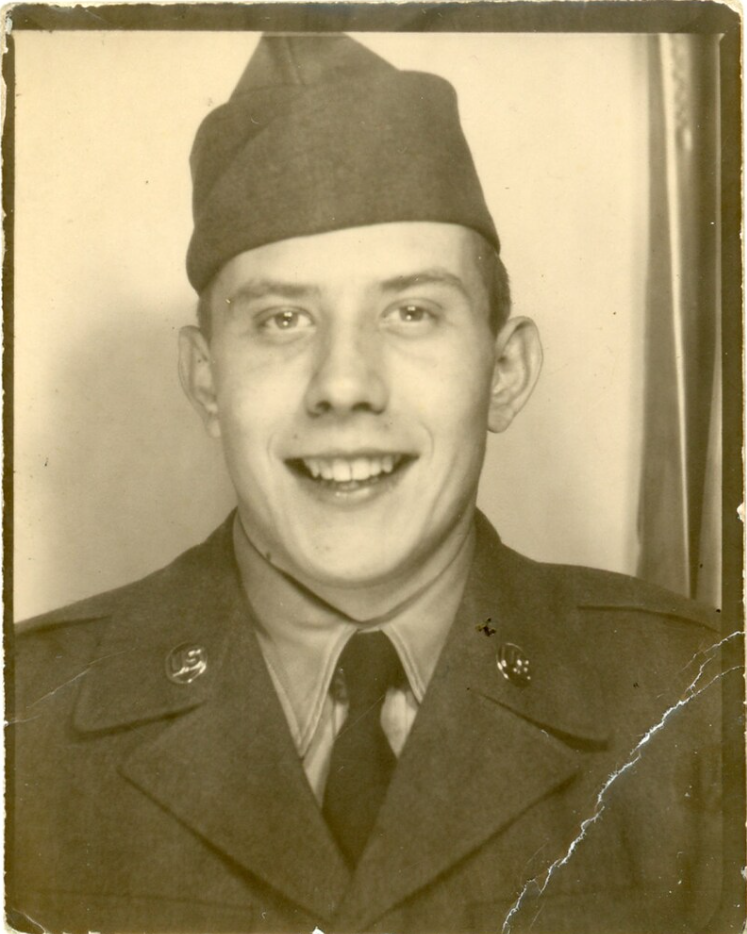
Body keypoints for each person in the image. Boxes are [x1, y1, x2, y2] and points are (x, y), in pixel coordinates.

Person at [8, 33, 735, 934]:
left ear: (504, 372)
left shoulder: (704, 708)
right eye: (280, 318)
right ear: (205, 380)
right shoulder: (24, 728)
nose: (343, 384)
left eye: (411, 311)